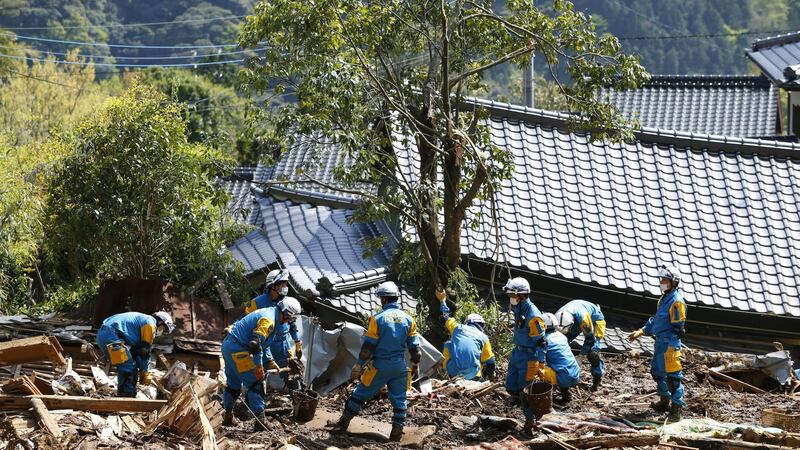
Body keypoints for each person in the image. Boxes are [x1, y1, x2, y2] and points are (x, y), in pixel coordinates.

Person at [328, 281, 420, 442]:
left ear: (383, 299)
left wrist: (359, 364)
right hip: (400, 367)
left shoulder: (378, 319)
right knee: (400, 400)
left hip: (380, 366)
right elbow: (415, 349)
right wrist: (415, 365)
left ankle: (342, 424)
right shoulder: (409, 319)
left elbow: (368, 347)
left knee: (360, 394)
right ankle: (397, 433)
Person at [222, 297, 302, 429]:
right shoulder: (268, 321)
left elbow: (264, 344)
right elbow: (255, 345)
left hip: (228, 347)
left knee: (233, 385)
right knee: (255, 384)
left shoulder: (271, 313)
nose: (289, 321)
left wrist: (270, 361)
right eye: (290, 318)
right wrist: (258, 366)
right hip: (238, 351)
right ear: (287, 314)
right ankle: (260, 422)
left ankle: (228, 416)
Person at [628, 265, 687, 422]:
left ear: (674, 282)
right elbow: (657, 320)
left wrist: (671, 342)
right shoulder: (663, 299)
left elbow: (678, 326)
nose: (662, 282)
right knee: (657, 372)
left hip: (669, 344)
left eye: (665, 280)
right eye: (661, 279)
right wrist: (642, 330)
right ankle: (664, 401)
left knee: (673, 379)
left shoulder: (677, 302)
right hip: (660, 342)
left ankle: (676, 411)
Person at [245, 269, 303, 389]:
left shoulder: (286, 301)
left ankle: (300, 400)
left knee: (293, 373)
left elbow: (292, 323)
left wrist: (297, 341)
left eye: (286, 284)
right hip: (265, 345)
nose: (286, 287)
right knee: (258, 376)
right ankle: (254, 402)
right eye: (283, 284)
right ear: (274, 285)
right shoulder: (256, 303)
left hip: (283, 345)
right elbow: (245, 322)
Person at [503, 277, 546, 434]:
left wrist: (541, 364)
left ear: (520, 296)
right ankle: (526, 408)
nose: (510, 299)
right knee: (511, 386)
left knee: (526, 391)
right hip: (517, 353)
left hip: (529, 358)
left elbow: (541, 342)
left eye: (512, 296)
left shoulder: (533, 315)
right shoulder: (519, 308)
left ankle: (530, 421)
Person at [96, 311, 175, 397]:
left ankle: (122, 393)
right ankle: (128, 396)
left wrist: (142, 369)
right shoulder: (150, 324)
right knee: (129, 367)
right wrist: (145, 373)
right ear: (160, 322)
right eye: (164, 328)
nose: (162, 332)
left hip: (104, 335)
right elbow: (144, 351)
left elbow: (137, 351)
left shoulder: (141, 322)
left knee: (126, 365)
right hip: (111, 336)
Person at [437, 290, 495, 381]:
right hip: (473, 375)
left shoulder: (458, 328)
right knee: (484, 357)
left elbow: (446, 316)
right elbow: (491, 362)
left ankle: (444, 371)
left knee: (448, 343)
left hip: (453, 372)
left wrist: (442, 300)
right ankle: (479, 378)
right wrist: (488, 378)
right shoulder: (483, 337)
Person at [554, 299, 606, 390]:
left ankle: (597, 377)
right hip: (574, 320)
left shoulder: (584, 319)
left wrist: (581, 356)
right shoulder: (557, 317)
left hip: (595, 319)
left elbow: (590, 339)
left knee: (593, 353)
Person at [541, 313, 581, 403]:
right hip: (575, 373)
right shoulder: (562, 336)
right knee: (560, 365)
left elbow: (540, 359)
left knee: (535, 368)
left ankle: (546, 394)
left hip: (563, 376)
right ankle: (565, 392)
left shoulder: (543, 340)